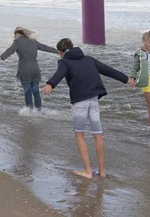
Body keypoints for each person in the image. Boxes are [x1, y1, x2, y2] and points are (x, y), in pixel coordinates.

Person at [41, 38, 133, 179]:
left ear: (60, 52)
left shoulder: (64, 61)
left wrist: (49, 84)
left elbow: (58, 74)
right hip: (94, 100)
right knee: (97, 134)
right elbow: (107, 70)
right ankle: (102, 171)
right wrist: (126, 79)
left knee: (79, 134)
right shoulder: (89, 59)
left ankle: (88, 171)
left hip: (79, 103)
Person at [0, 27, 58, 110]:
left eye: (14, 35)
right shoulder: (33, 40)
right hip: (35, 69)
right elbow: (45, 47)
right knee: (35, 90)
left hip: (24, 69)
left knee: (27, 91)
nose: (14, 37)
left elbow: (10, 50)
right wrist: (58, 51)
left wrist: (0, 57)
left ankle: (29, 111)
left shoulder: (17, 41)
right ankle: (39, 110)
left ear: (17, 33)